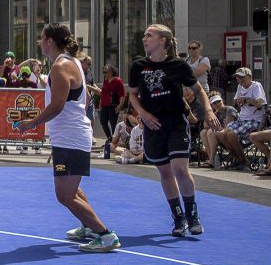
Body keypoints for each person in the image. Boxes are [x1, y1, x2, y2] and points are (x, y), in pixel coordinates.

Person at [13, 24, 120, 253]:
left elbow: (57, 106)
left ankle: (105, 234)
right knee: (73, 189)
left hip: (71, 137)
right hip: (69, 135)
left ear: (50, 42)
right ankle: (88, 226)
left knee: (64, 195)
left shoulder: (60, 67)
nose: (39, 42)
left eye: (41, 38)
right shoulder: (72, 64)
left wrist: (31, 123)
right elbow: (86, 98)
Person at [128, 24, 220, 237]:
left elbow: (199, 90)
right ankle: (178, 217)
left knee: (179, 168)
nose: (144, 38)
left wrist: (208, 110)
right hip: (153, 125)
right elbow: (132, 94)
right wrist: (142, 113)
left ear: (163, 40)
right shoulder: (138, 66)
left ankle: (192, 214)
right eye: (144, 34)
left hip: (176, 122)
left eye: (149, 35)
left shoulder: (178, 65)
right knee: (165, 172)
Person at [212, 67, 266, 169]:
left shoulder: (256, 86)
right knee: (221, 134)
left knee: (231, 134)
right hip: (242, 119)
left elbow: (259, 104)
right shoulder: (240, 87)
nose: (240, 80)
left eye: (242, 78)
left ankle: (243, 160)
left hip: (254, 120)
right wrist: (238, 101)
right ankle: (238, 158)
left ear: (249, 77)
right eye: (238, 78)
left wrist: (246, 100)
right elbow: (236, 101)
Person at [198, 94, 237, 168]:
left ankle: (212, 160)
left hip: (230, 133)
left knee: (210, 131)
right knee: (203, 132)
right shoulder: (216, 113)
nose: (217, 104)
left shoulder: (229, 109)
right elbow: (205, 126)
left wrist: (215, 127)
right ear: (211, 105)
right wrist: (211, 114)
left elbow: (227, 127)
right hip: (219, 134)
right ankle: (211, 159)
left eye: (219, 101)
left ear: (223, 101)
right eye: (214, 103)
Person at [98, 65, 126, 159]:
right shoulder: (106, 81)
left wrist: (120, 105)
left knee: (113, 123)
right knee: (103, 122)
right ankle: (110, 139)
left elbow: (122, 95)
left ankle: (114, 142)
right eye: (104, 72)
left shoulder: (117, 81)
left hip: (113, 105)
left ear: (111, 72)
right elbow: (103, 93)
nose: (105, 74)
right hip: (105, 105)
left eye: (106, 72)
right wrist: (100, 103)